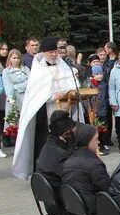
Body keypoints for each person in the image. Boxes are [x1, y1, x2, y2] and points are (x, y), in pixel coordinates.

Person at [11, 36, 82, 180]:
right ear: (44, 52)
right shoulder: (38, 69)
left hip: (65, 110)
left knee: (67, 140)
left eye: (56, 52)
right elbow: (36, 93)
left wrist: (72, 91)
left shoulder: (64, 66)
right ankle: (43, 171)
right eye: (51, 52)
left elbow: (74, 85)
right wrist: (51, 96)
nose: (54, 55)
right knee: (45, 142)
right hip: (45, 113)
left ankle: (67, 168)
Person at [35, 110, 77, 215]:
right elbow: (76, 181)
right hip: (63, 208)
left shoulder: (48, 146)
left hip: (51, 204)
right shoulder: (60, 155)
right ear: (65, 133)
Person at [2, 49, 30, 114]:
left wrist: (16, 86)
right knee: (13, 121)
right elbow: (8, 87)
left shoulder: (26, 69)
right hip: (13, 98)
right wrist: (12, 101)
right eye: (14, 58)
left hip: (26, 98)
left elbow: (29, 82)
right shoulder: (6, 71)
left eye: (18, 58)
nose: (16, 60)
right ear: (10, 59)